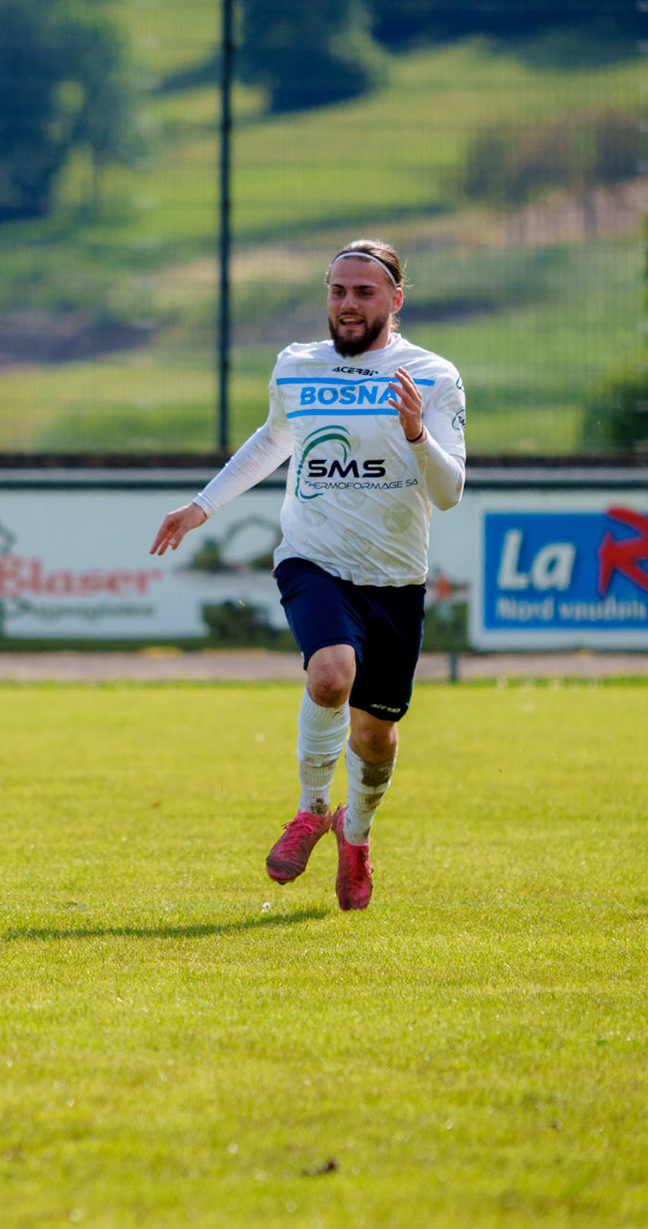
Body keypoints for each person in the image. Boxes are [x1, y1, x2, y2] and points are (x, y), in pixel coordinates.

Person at [149, 239, 466, 910]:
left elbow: (449, 491)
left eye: (364, 293)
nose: (348, 305)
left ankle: (355, 832)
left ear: (395, 300)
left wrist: (415, 433)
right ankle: (311, 809)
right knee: (329, 674)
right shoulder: (297, 366)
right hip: (312, 559)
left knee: (375, 735)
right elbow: (272, 438)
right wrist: (202, 506)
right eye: (337, 291)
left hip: (396, 578)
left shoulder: (433, 376)